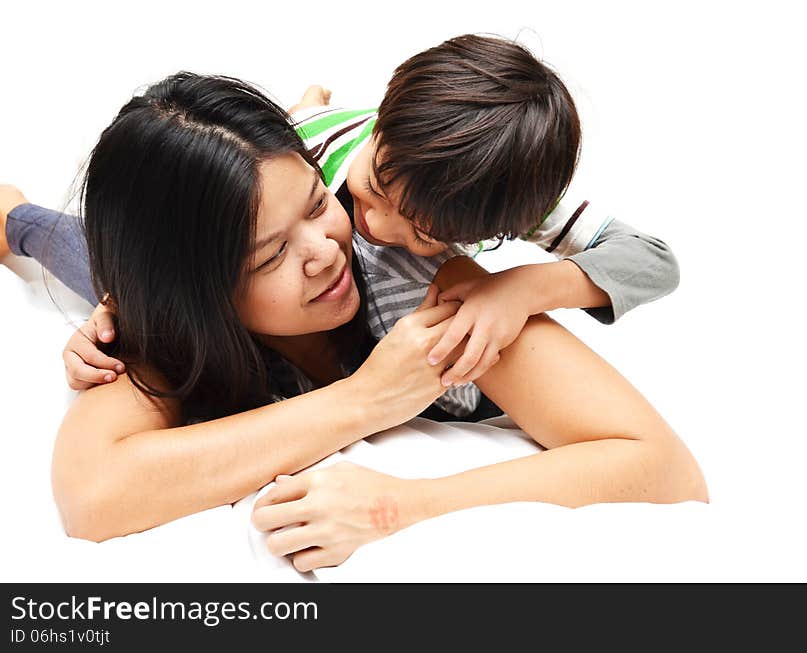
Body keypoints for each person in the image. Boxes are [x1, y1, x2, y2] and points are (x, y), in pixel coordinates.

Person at [0, 73, 704, 572]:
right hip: (143, 273)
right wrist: (366, 399)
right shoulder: (157, 321)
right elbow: (93, 496)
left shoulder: (432, 287)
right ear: (195, 294)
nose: (324, 251)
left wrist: (409, 503)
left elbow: (667, 469)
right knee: (74, 247)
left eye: (315, 203)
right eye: (271, 253)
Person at [36, 34, 679, 420]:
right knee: (80, 244)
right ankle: (16, 220)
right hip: (310, 140)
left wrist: (522, 288)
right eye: (370, 190)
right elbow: (195, 215)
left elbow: (653, 260)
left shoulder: (495, 200)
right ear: (380, 126)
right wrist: (122, 301)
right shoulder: (320, 149)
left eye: (422, 234)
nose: (370, 225)